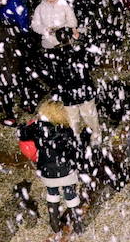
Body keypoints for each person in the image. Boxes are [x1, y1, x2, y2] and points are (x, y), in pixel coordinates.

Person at [20, 100, 83, 233]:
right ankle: (77, 224)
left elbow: (22, 134)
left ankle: (54, 222)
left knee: (52, 193)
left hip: (46, 169)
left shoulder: (37, 128)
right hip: (66, 169)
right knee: (70, 194)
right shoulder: (65, 130)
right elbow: (74, 149)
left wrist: (25, 126)